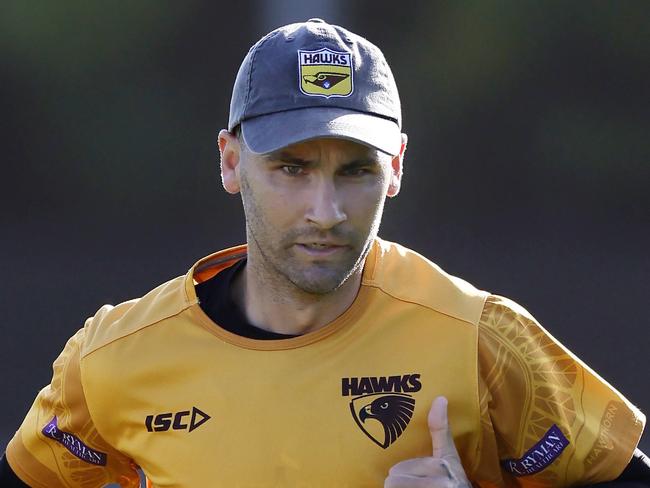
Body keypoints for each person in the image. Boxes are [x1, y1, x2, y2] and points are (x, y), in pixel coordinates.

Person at [1, 18, 647, 488]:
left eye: (355, 171)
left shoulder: (482, 340)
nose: (326, 211)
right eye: (291, 167)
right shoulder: (111, 360)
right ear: (231, 162)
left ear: (395, 168)